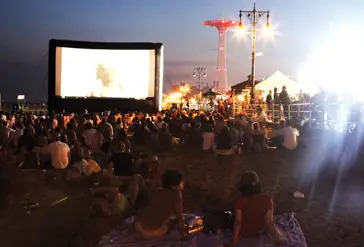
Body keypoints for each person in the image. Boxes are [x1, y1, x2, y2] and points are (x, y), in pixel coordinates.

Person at [227, 171, 286, 246]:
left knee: (228, 216)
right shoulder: (267, 199)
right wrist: (277, 238)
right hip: (259, 230)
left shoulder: (239, 201)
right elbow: (269, 222)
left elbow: (238, 222)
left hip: (244, 232)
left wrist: (233, 242)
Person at [134, 170, 187, 239]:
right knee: (167, 228)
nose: (183, 183)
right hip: (150, 231)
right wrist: (183, 234)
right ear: (173, 186)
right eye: (180, 182)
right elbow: (179, 217)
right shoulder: (177, 194)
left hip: (138, 225)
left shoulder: (159, 191)